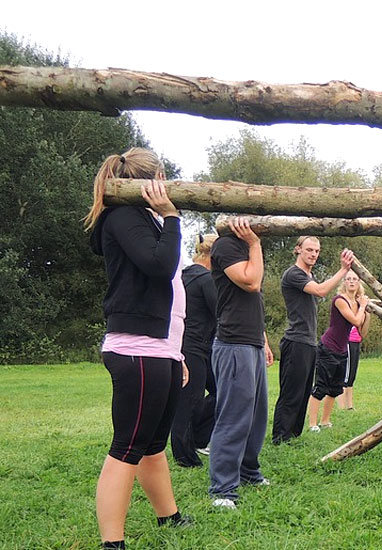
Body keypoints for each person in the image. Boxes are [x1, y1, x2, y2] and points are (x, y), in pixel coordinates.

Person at [85, 147, 191, 549]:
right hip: (135, 346)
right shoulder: (124, 216)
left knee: (152, 444)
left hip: (160, 346)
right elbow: (161, 265)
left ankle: (170, 517)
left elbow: (167, 285)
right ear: (154, 179)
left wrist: (176, 351)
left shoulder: (142, 218)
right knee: (127, 445)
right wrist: (173, 217)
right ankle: (112, 542)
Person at [209, 218, 274, 509]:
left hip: (252, 344)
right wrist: (256, 244)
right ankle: (222, 489)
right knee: (234, 418)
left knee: (257, 417)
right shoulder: (225, 246)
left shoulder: (245, 249)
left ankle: (248, 472)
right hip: (233, 343)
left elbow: (253, 302)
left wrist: (264, 342)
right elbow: (251, 282)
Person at [271, 237, 354, 444]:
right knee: (291, 392)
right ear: (298, 249)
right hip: (295, 340)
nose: (314, 254)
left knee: (303, 391)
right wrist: (343, 270)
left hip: (308, 342)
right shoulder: (294, 274)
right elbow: (321, 291)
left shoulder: (309, 274)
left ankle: (294, 436)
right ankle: (280, 438)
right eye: (309, 250)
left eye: (317, 251)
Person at [170, 234, 218, 468]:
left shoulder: (182, 276)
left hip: (197, 346)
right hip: (192, 347)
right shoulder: (206, 279)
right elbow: (221, 313)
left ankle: (199, 438)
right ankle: (184, 456)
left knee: (222, 391)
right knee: (188, 401)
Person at [307, 269, 370, 431]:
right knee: (321, 387)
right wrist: (362, 307)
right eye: (348, 279)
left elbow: (361, 333)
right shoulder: (339, 300)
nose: (351, 282)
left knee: (335, 388)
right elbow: (356, 320)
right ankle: (312, 424)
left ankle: (325, 421)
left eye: (355, 279)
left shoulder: (357, 304)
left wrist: (367, 313)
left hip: (342, 350)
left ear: (359, 283)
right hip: (328, 348)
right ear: (344, 282)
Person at [337, 322, 364, 410]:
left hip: (356, 342)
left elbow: (363, 332)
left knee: (352, 376)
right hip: (347, 341)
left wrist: (367, 316)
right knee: (346, 376)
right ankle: (341, 406)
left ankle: (349, 406)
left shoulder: (360, 311)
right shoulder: (349, 309)